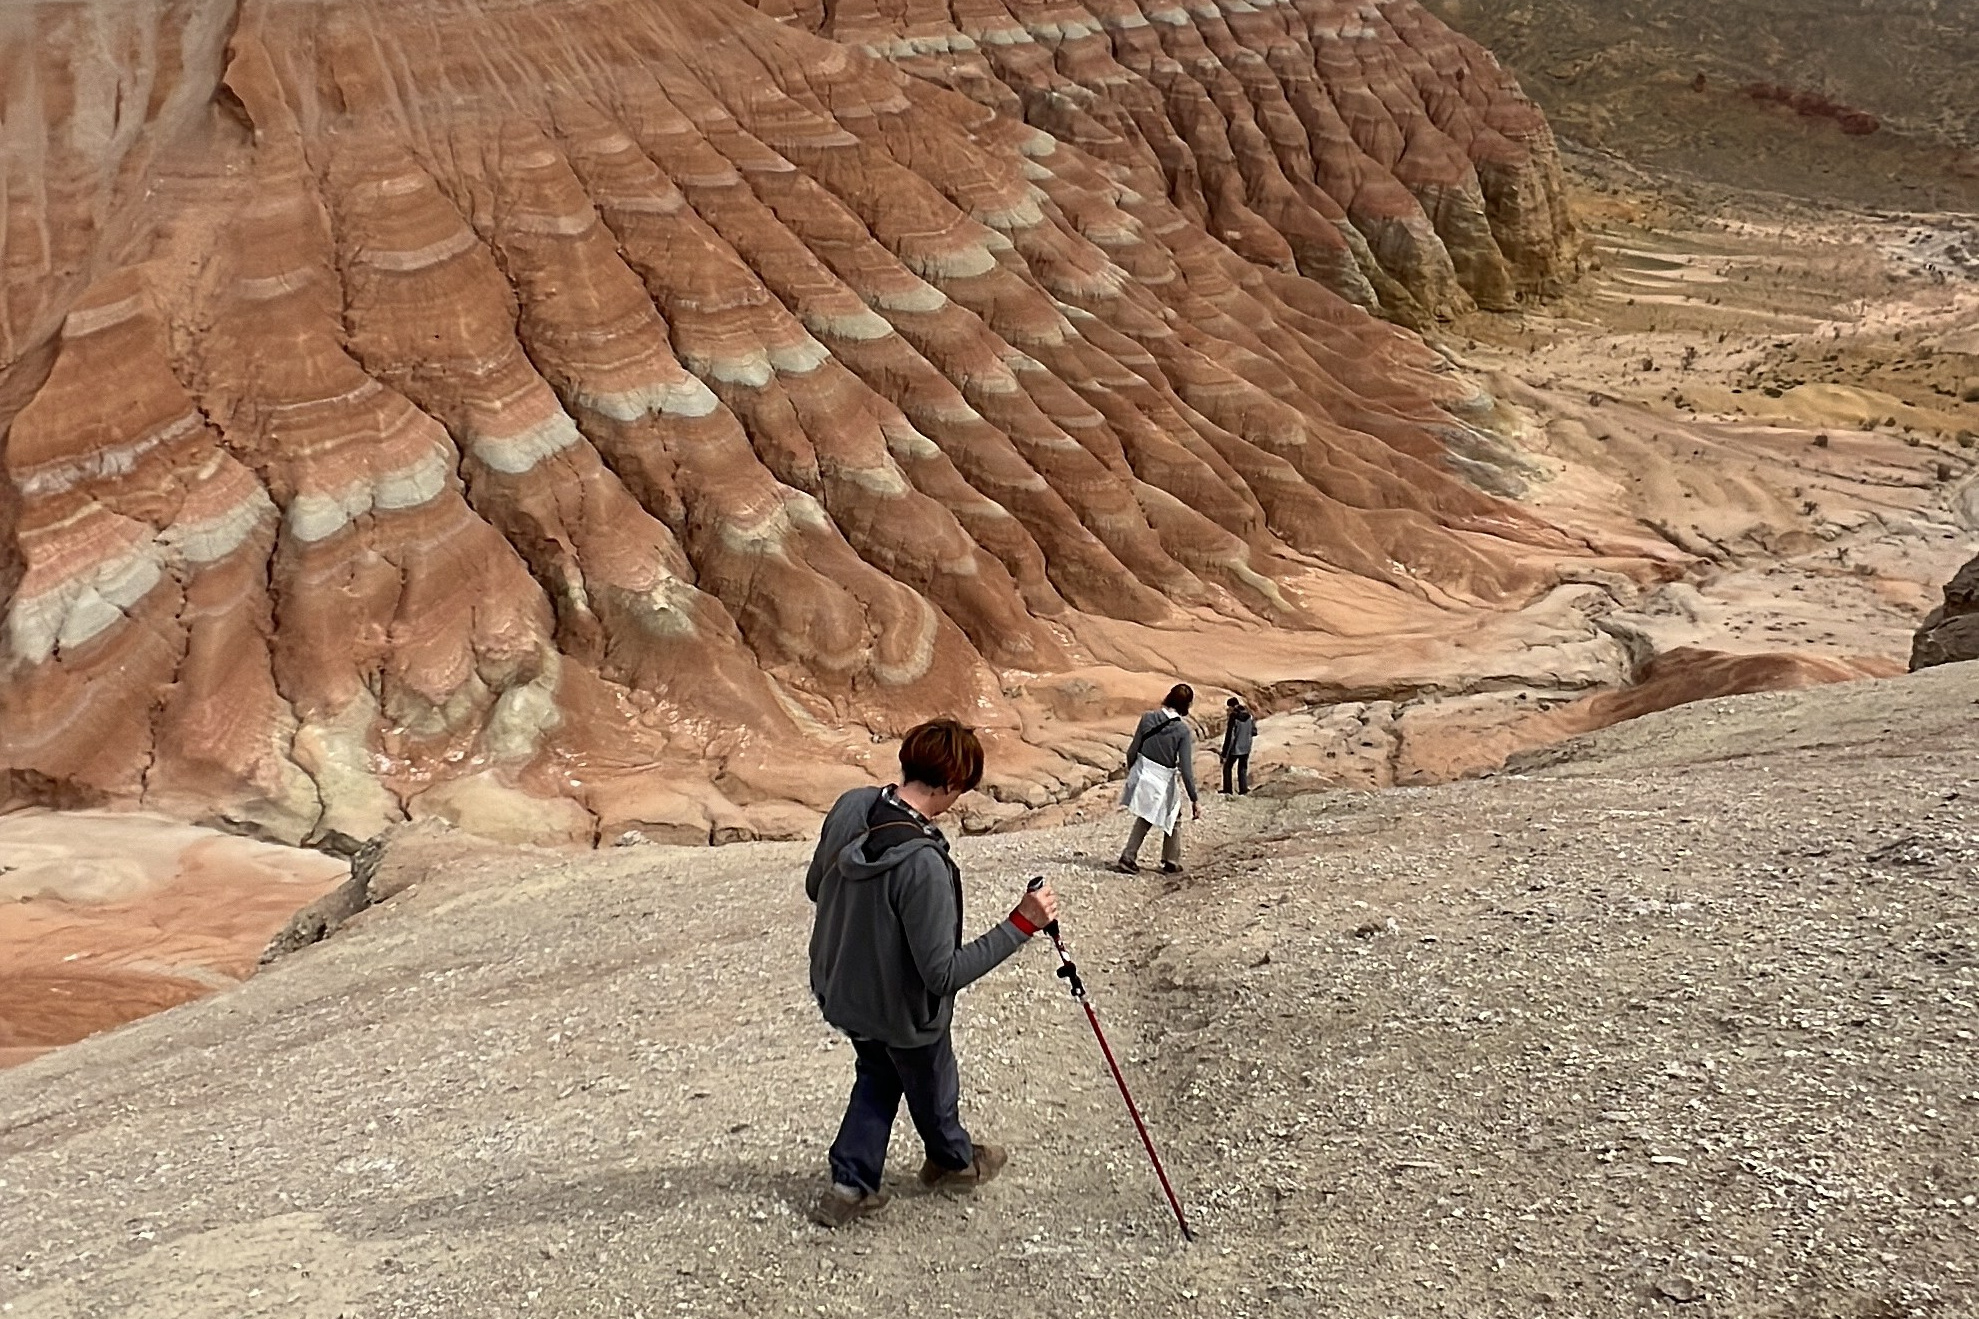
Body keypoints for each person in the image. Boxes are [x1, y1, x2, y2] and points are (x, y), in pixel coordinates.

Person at [804, 718, 1060, 1228]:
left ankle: (850, 1186)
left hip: (843, 987)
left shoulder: (852, 806)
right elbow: (941, 974)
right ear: (948, 784)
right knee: (931, 1082)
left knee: (878, 1072)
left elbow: (818, 887)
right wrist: (1021, 924)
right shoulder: (923, 864)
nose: (958, 798)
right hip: (903, 1011)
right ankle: (951, 1162)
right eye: (960, 788)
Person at [1114, 683, 1200, 875]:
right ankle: (1163, 859)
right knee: (1170, 815)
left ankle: (1137, 857)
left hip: (1143, 772)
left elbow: (1132, 750)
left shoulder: (1148, 718)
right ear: (1187, 705)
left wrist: (1134, 772)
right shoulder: (1182, 731)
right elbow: (1186, 768)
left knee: (1152, 814)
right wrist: (1194, 799)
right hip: (1163, 778)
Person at [1220, 695, 1255, 795]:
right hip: (1247, 747)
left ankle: (1228, 789)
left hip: (1236, 748)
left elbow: (1230, 736)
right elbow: (1254, 731)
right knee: (1242, 768)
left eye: (1229, 708)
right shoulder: (1249, 715)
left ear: (1231, 706)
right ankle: (1243, 790)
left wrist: (1224, 753)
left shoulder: (1234, 717)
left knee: (1227, 767)